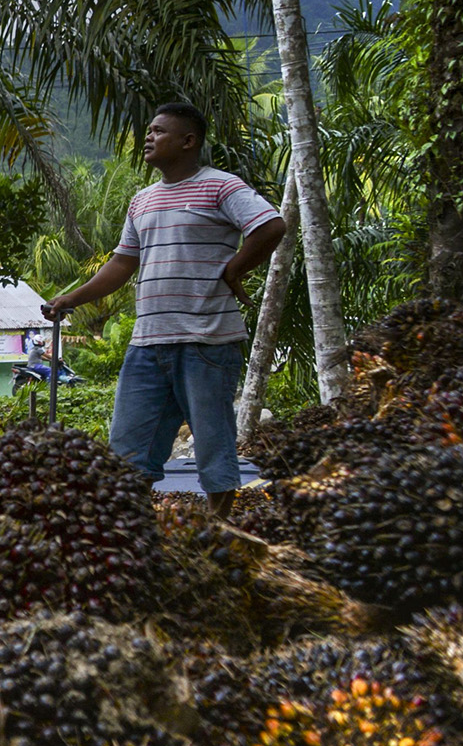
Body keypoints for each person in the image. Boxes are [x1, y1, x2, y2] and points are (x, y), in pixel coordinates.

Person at [42, 102, 287, 515]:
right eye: (149, 130)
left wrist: (234, 270)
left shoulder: (222, 187)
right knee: (127, 448)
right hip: (148, 344)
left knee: (212, 441)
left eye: (159, 131)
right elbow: (122, 263)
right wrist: (73, 298)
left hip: (206, 340)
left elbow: (271, 225)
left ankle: (217, 530)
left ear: (188, 141)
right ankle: (136, 530)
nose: (149, 138)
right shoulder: (142, 200)